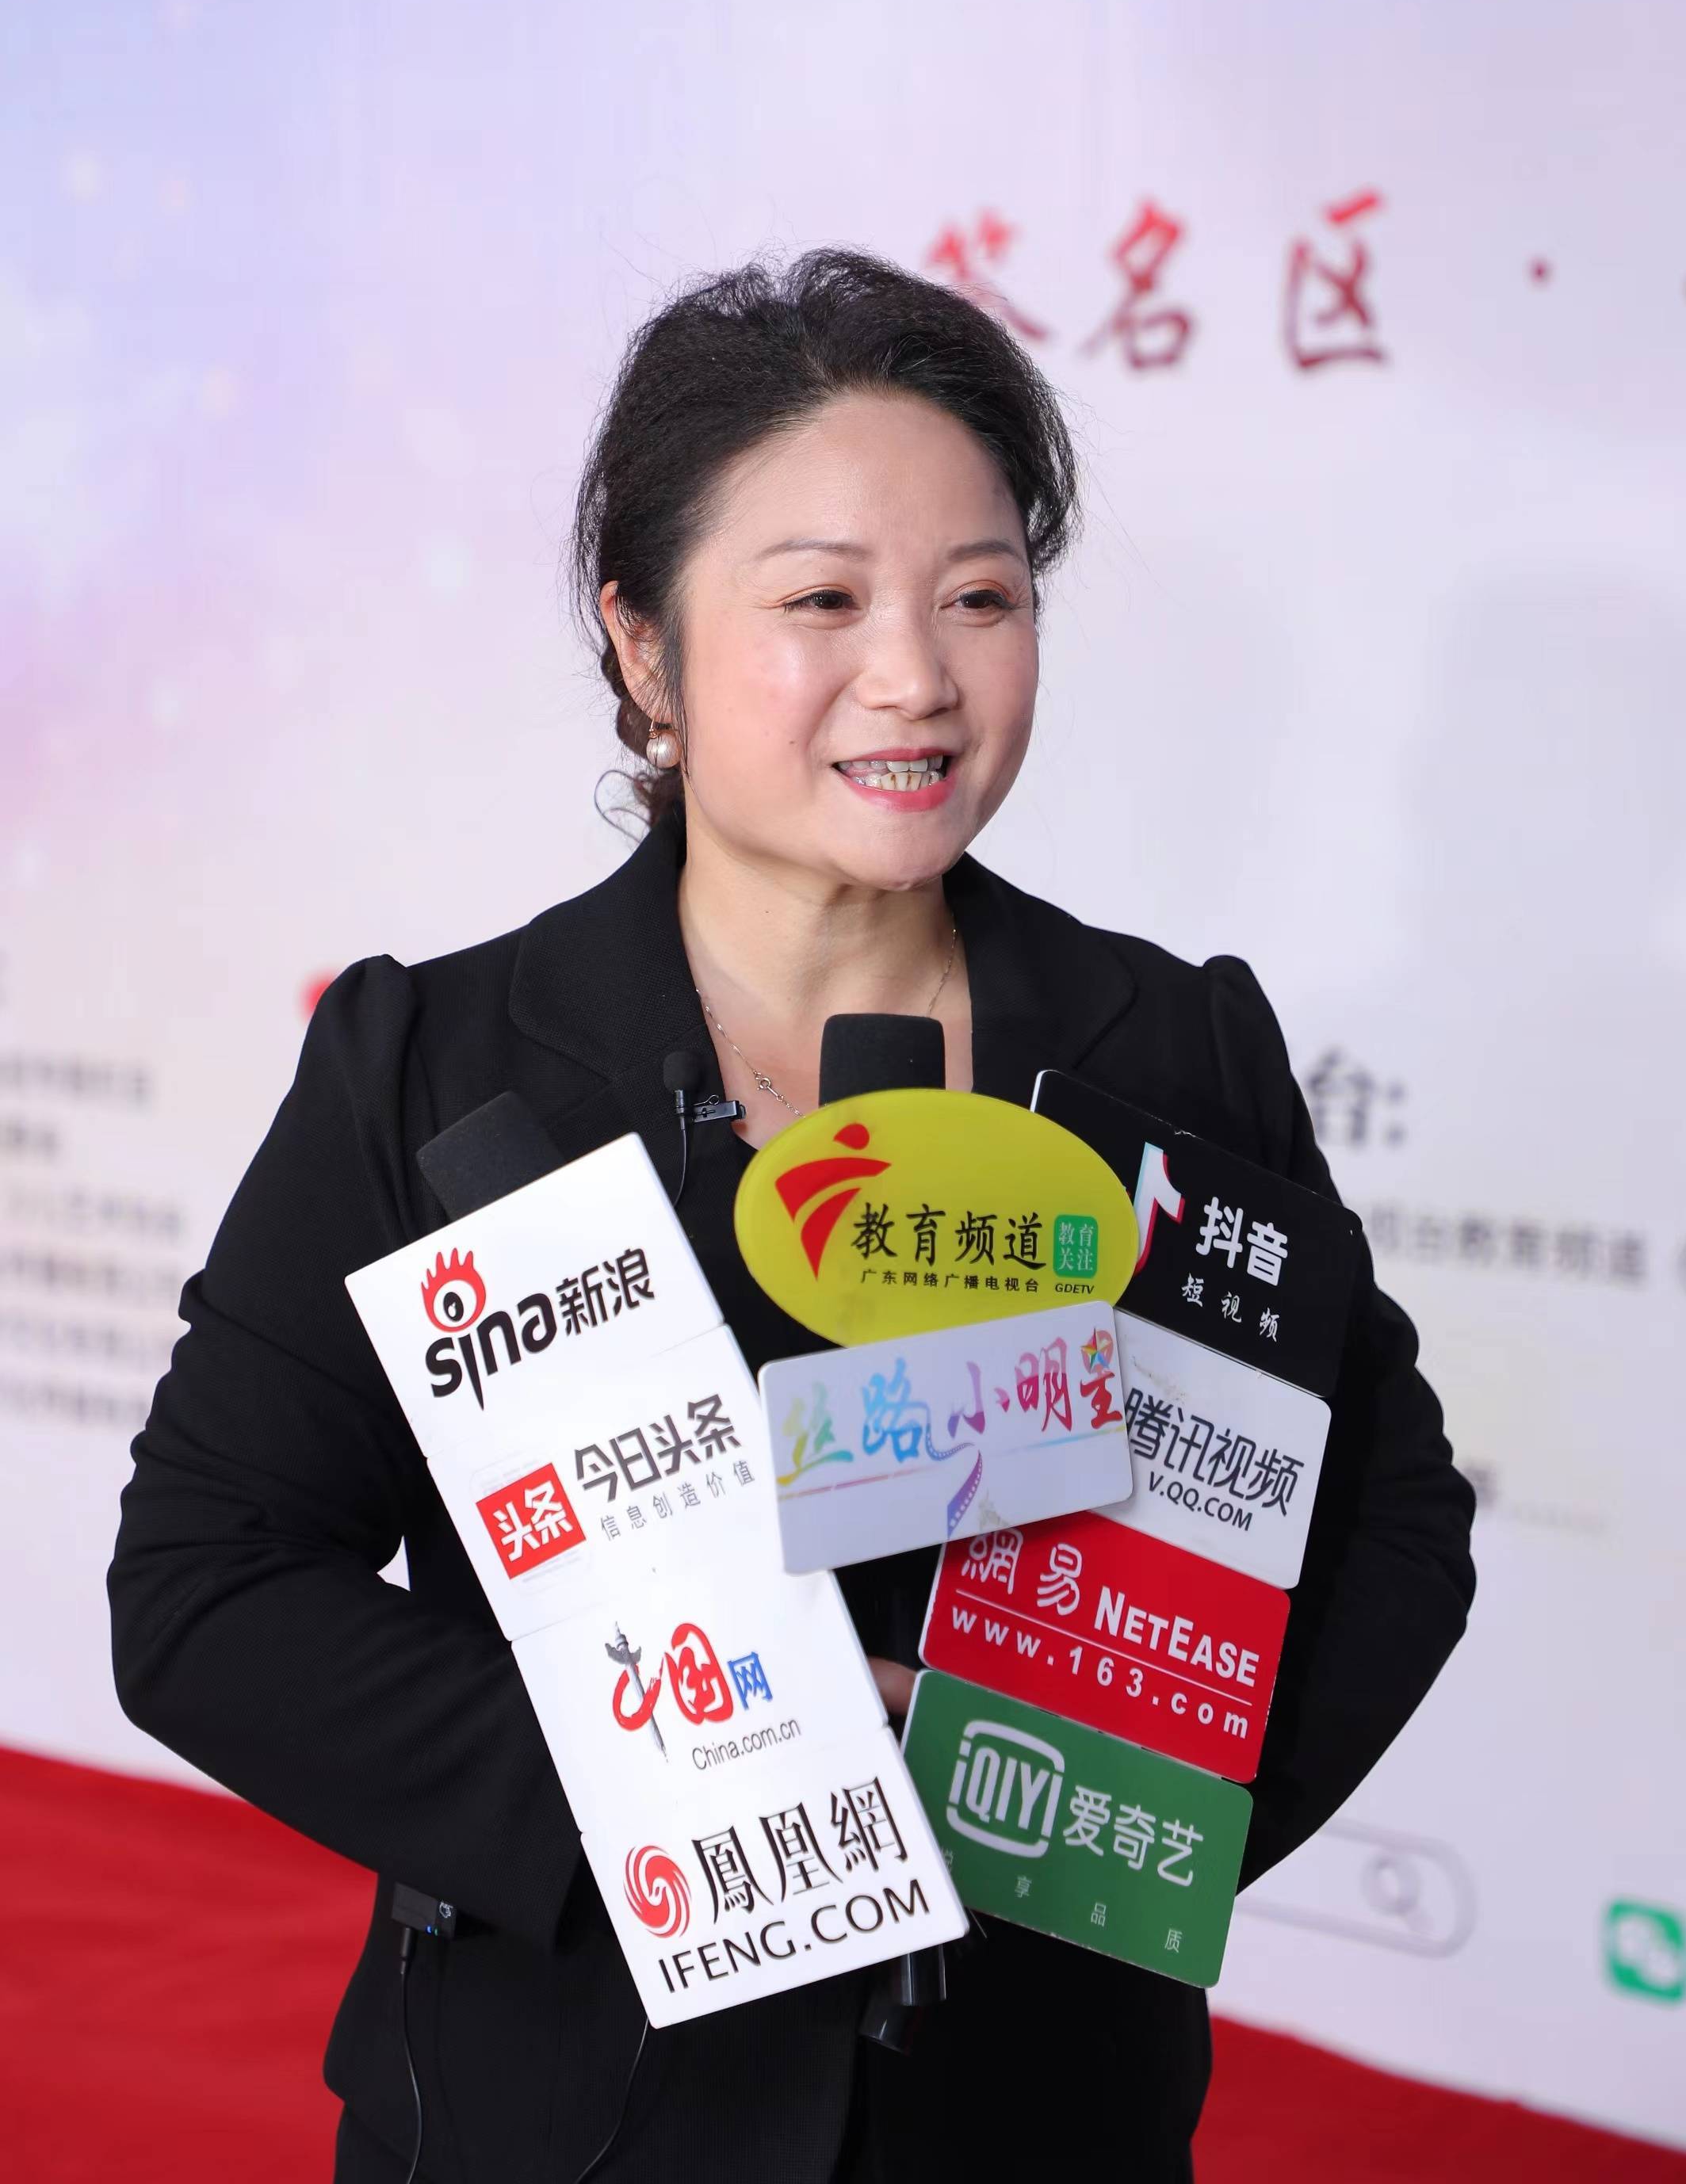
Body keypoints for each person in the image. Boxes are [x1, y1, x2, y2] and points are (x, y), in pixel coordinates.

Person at [109, 248, 1476, 2183]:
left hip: (1038, 2117)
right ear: (643, 649)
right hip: (556, 2105)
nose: (912, 676)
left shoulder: (1171, 1048)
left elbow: (1391, 1513)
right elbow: (208, 1590)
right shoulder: (427, 1067)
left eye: (979, 597)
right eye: (820, 600)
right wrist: (712, 1771)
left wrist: (1132, 1832)